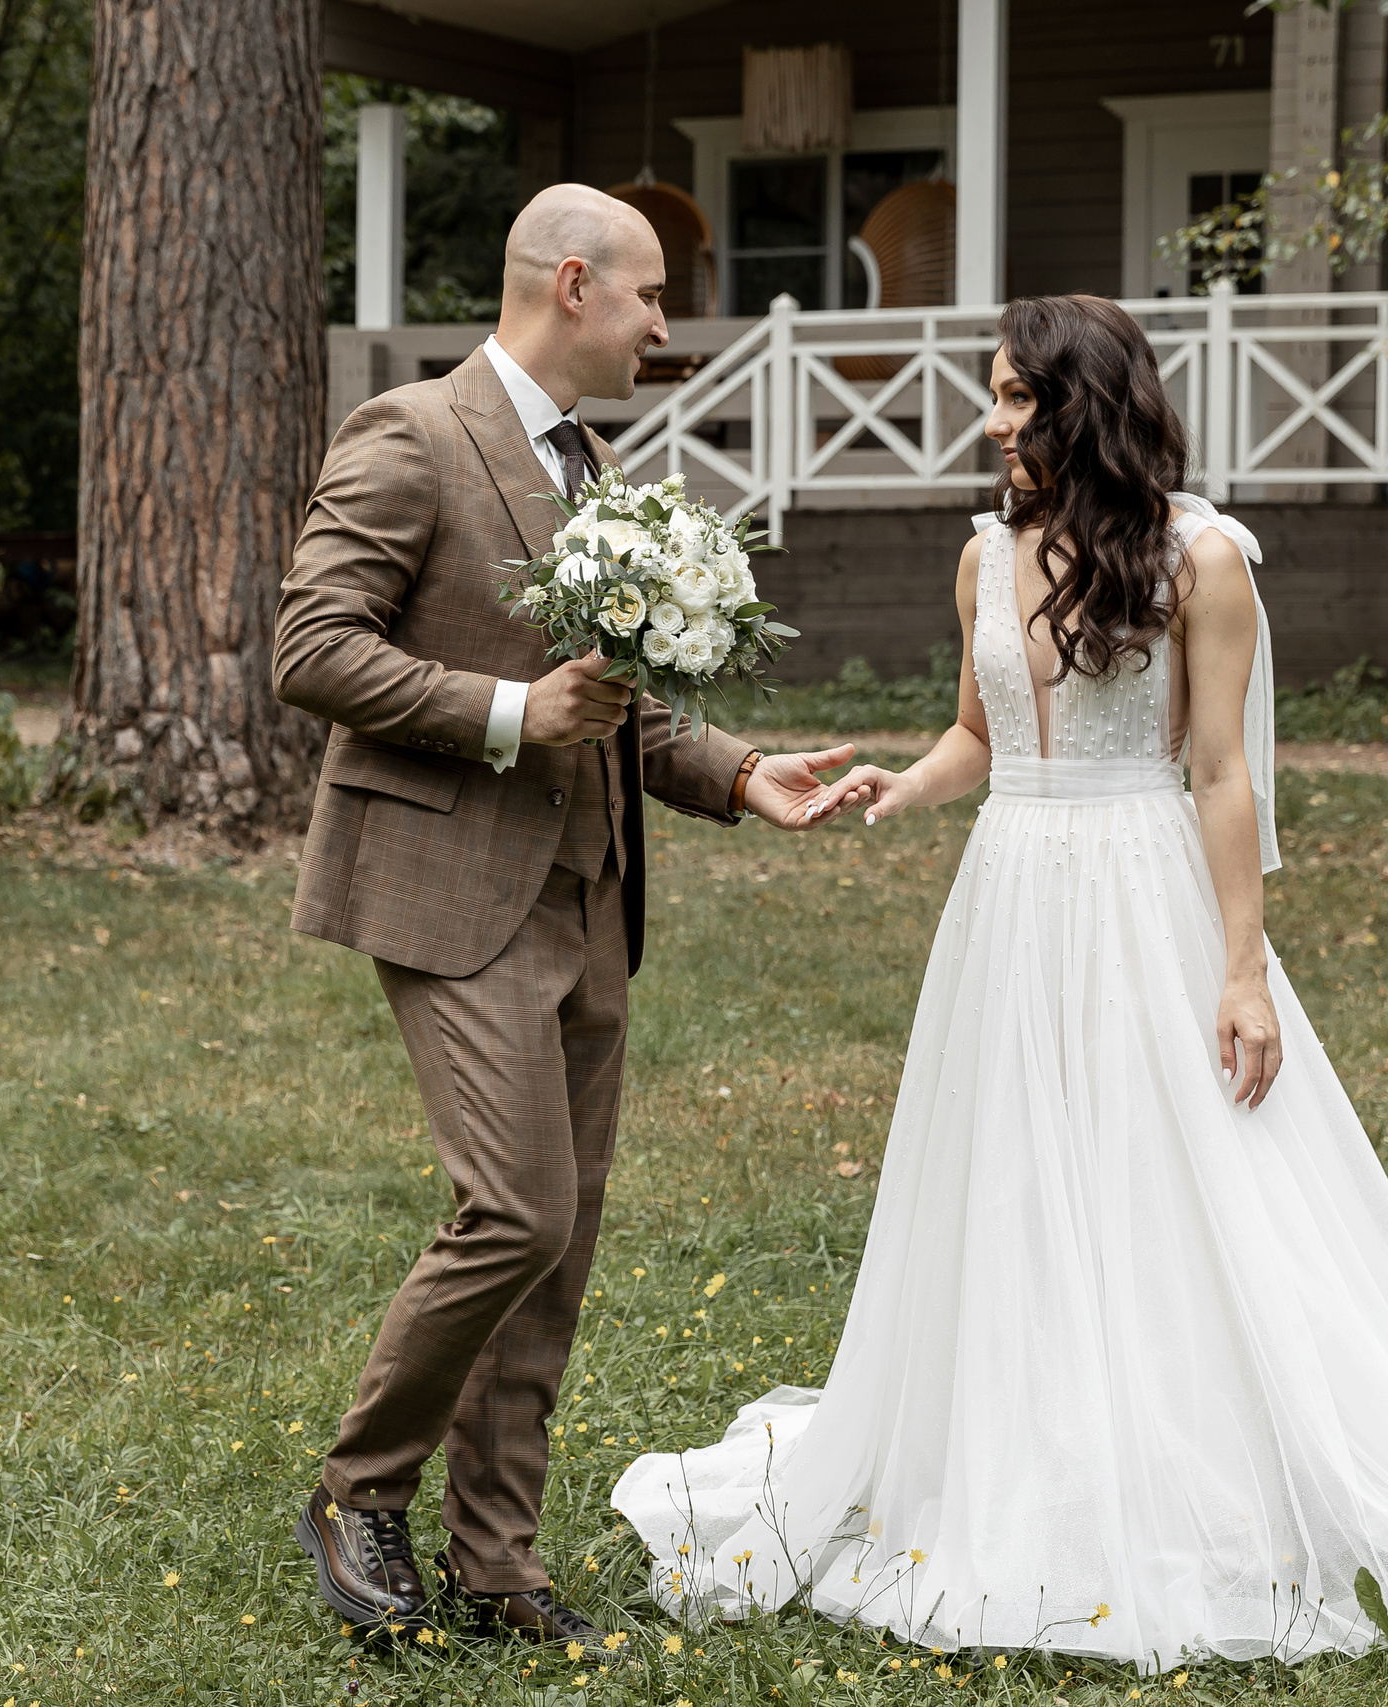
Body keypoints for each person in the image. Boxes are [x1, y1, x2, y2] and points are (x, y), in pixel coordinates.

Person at [610, 295, 1388, 1670]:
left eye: (1013, 398)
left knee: (1174, 1170)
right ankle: (1033, 1428)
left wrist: (1243, 973)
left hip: (1144, 888)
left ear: (1081, 405)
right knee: (1020, 1169)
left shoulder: (1203, 561)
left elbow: (1222, 772)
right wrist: (904, 783)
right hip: (1012, 896)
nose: (991, 422)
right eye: (992, 396)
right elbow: (981, 732)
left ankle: (1189, 1442)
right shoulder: (984, 558)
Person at [273, 184, 854, 1648]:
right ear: (576, 285)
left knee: (564, 1236)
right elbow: (313, 645)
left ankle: (498, 1557)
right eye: (653, 297)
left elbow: (616, 707)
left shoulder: (595, 462)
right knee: (514, 1208)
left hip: (590, 900)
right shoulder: (414, 435)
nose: (667, 326)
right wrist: (508, 710)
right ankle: (361, 1490)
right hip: (449, 884)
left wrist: (734, 775)